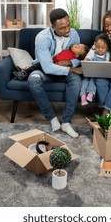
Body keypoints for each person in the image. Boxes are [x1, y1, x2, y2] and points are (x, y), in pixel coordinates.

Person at [27, 8, 83, 138]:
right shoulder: (42, 38)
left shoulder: (74, 34)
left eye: (68, 25)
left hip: (65, 70)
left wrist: (70, 64)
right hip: (45, 71)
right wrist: (71, 69)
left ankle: (67, 122)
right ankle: (52, 118)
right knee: (33, 79)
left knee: (76, 80)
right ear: (52, 27)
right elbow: (47, 67)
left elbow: (77, 58)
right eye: (62, 28)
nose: (67, 30)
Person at [14, 44, 89, 81]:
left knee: (38, 65)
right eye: (78, 44)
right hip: (51, 61)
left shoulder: (74, 59)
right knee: (38, 64)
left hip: (54, 67)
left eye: (78, 47)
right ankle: (24, 70)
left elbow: (67, 64)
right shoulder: (68, 50)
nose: (76, 45)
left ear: (76, 55)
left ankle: (23, 74)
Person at [80, 33, 111, 106]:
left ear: (107, 48)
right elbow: (85, 61)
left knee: (93, 80)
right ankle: (83, 96)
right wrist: (87, 63)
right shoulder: (92, 52)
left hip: (99, 73)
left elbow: (106, 65)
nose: (100, 49)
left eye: (103, 47)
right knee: (85, 80)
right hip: (89, 71)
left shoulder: (107, 54)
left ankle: (90, 93)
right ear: (94, 46)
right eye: (98, 47)